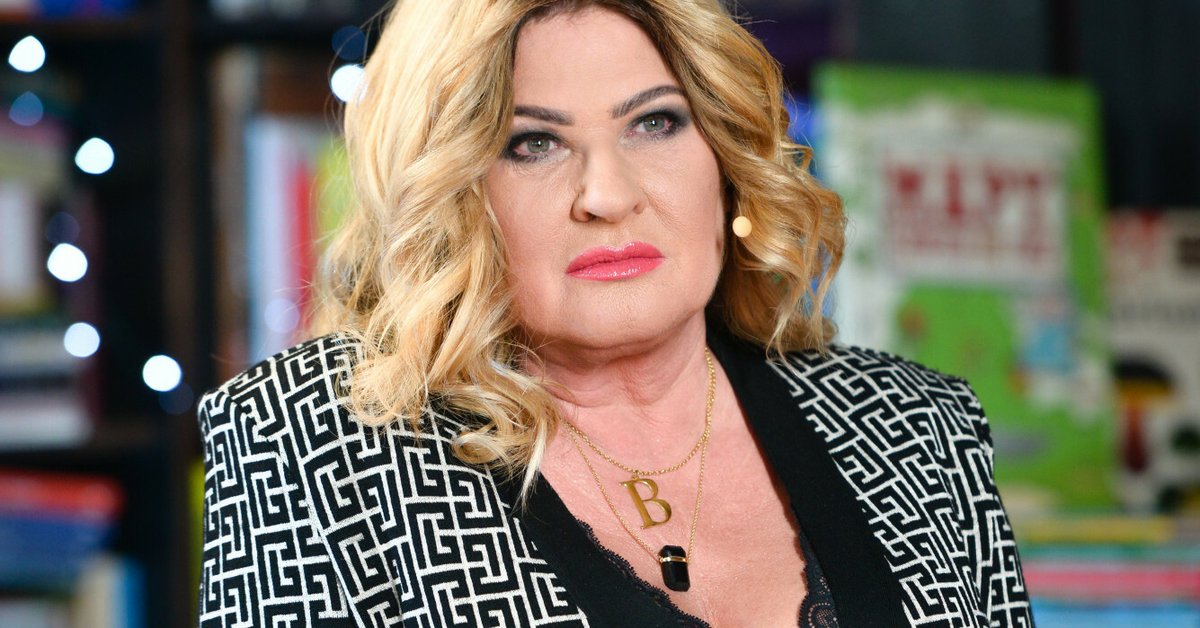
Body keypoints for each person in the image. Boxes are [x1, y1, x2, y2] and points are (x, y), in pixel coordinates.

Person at [197, 1, 1033, 626]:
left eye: (654, 123)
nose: (606, 195)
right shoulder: (313, 439)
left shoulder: (918, 425)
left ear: (725, 155)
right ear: (450, 193)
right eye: (533, 143)